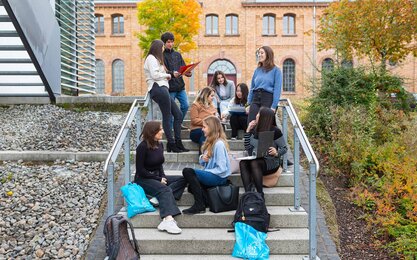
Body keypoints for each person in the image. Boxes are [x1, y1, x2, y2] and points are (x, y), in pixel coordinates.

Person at [134, 121, 187, 234]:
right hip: (143, 179)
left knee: (183, 178)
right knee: (165, 189)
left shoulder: (160, 144)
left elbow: (159, 165)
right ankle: (167, 220)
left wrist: (162, 176)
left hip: (157, 176)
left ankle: (158, 198)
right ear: (153, 132)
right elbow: (140, 170)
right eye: (160, 129)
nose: (163, 131)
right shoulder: (142, 147)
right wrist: (158, 179)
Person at [144, 39, 187, 153]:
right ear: (158, 48)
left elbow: (162, 74)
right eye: (162, 48)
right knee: (167, 116)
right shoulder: (151, 58)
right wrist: (167, 75)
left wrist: (171, 75)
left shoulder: (157, 59)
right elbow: (155, 75)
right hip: (157, 88)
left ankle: (178, 142)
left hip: (163, 88)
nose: (163, 50)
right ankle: (171, 144)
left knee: (178, 114)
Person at [182, 116, 231, 214]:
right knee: (191, 187)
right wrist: (202, 158)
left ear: (211, 128)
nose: (202, 129)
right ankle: (207, 202)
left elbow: (222, 168)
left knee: (188, 171)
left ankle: (199, 205)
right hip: (213, 174)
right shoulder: (210, 141)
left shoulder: (219, 144)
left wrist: (205, 172)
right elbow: (202, 162)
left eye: (204, 127)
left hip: (219, 177)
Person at [239, 107, 287, 197]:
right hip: (256, 159)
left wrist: (276, 152)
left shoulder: (275, 131)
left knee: (254, 163)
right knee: (243, 163)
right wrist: (248, 131)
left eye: (258, 114)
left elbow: (284, 148)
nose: (256, 116)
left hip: (270, 162)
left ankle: (260, 194)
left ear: (263, 117)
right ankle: (248, 193)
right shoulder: (254, 130)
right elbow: (247, 147)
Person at [161, 32, 191, 131]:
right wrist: (172, 73)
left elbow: (183, 67)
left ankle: (178, 123)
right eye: (168, 42)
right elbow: (163, 71)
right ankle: (169, 129)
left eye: (172, 42)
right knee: (169, 110)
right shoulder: (161, 56)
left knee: (186, 105)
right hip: (170, 88)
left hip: (180, 86)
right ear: (164, 43)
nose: (170, 44)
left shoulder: (178, 54)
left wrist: (188, 73)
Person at [247, 46, 282, 123]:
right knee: (251, 121)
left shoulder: (276, 70)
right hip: (255, 98)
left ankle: (258, 135)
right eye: (258, 53)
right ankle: (250, 135)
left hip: (267, 99)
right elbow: (252, 87)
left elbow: (277, 90)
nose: (259, 55)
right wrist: (249, 103)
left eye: (262, 53)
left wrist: (273, 106)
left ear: (268, 54)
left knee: (263, 124)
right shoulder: (257, 70)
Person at [189, 87, 218, 151]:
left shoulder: (211, 106)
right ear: (206, 96)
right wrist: (207, 123)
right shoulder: (196, 105)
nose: (213, 98)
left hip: (209, 130)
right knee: (205, 133)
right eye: (211, 96)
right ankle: (202, 157)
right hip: (196, 130)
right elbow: (194, 120)